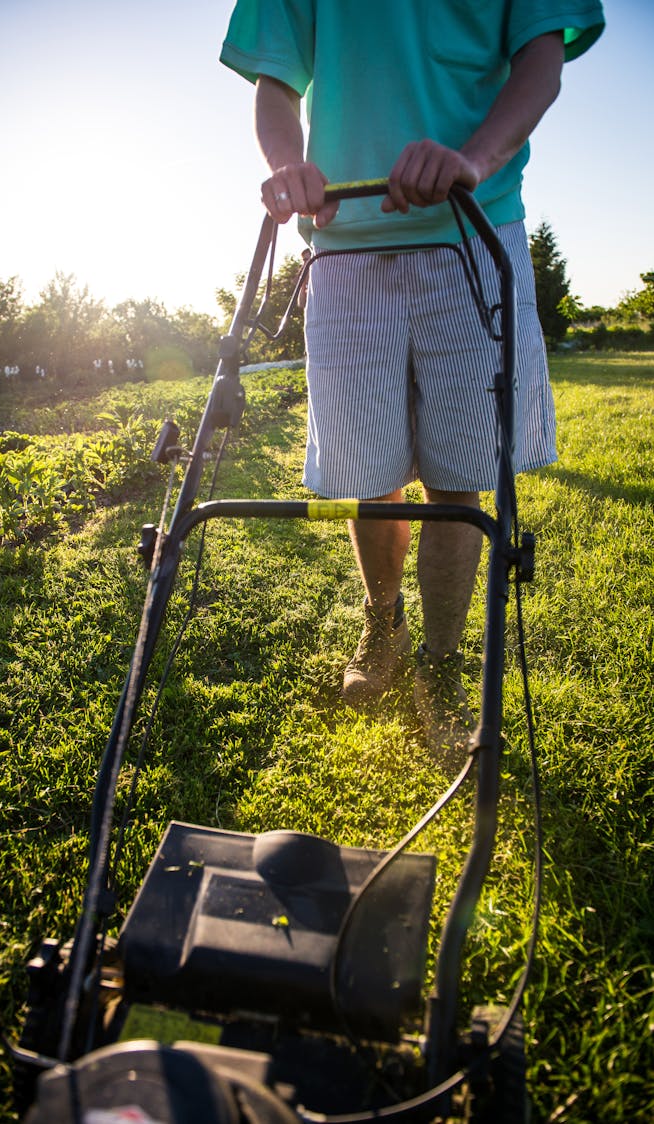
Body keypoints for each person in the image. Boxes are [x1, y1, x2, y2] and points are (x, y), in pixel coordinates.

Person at [220, 2, 604, 760]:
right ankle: (383, 620)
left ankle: (444, 662)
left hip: (472, 225)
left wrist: (474, 158)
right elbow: (274, 79)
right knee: (371, 473)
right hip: (343, 246)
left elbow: (542, 55)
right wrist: (285, 167)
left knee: (460, 479)